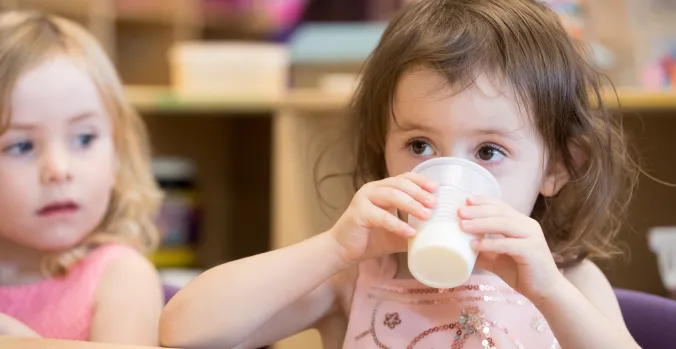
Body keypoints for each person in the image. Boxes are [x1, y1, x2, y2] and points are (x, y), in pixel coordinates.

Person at [160, 0, 641, 348]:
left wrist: (551, 293)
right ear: (381, 149)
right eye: (419, 145)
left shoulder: (568, 280)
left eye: (489, 150)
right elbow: (183, 332)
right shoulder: (353, 279)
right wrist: (332, 250)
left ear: (556, 168)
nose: (448, 178)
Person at [0, 11, 164, 345]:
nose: (59, 170)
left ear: (118, 151)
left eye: (84, 139)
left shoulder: (121, 278)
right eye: (21, 146)